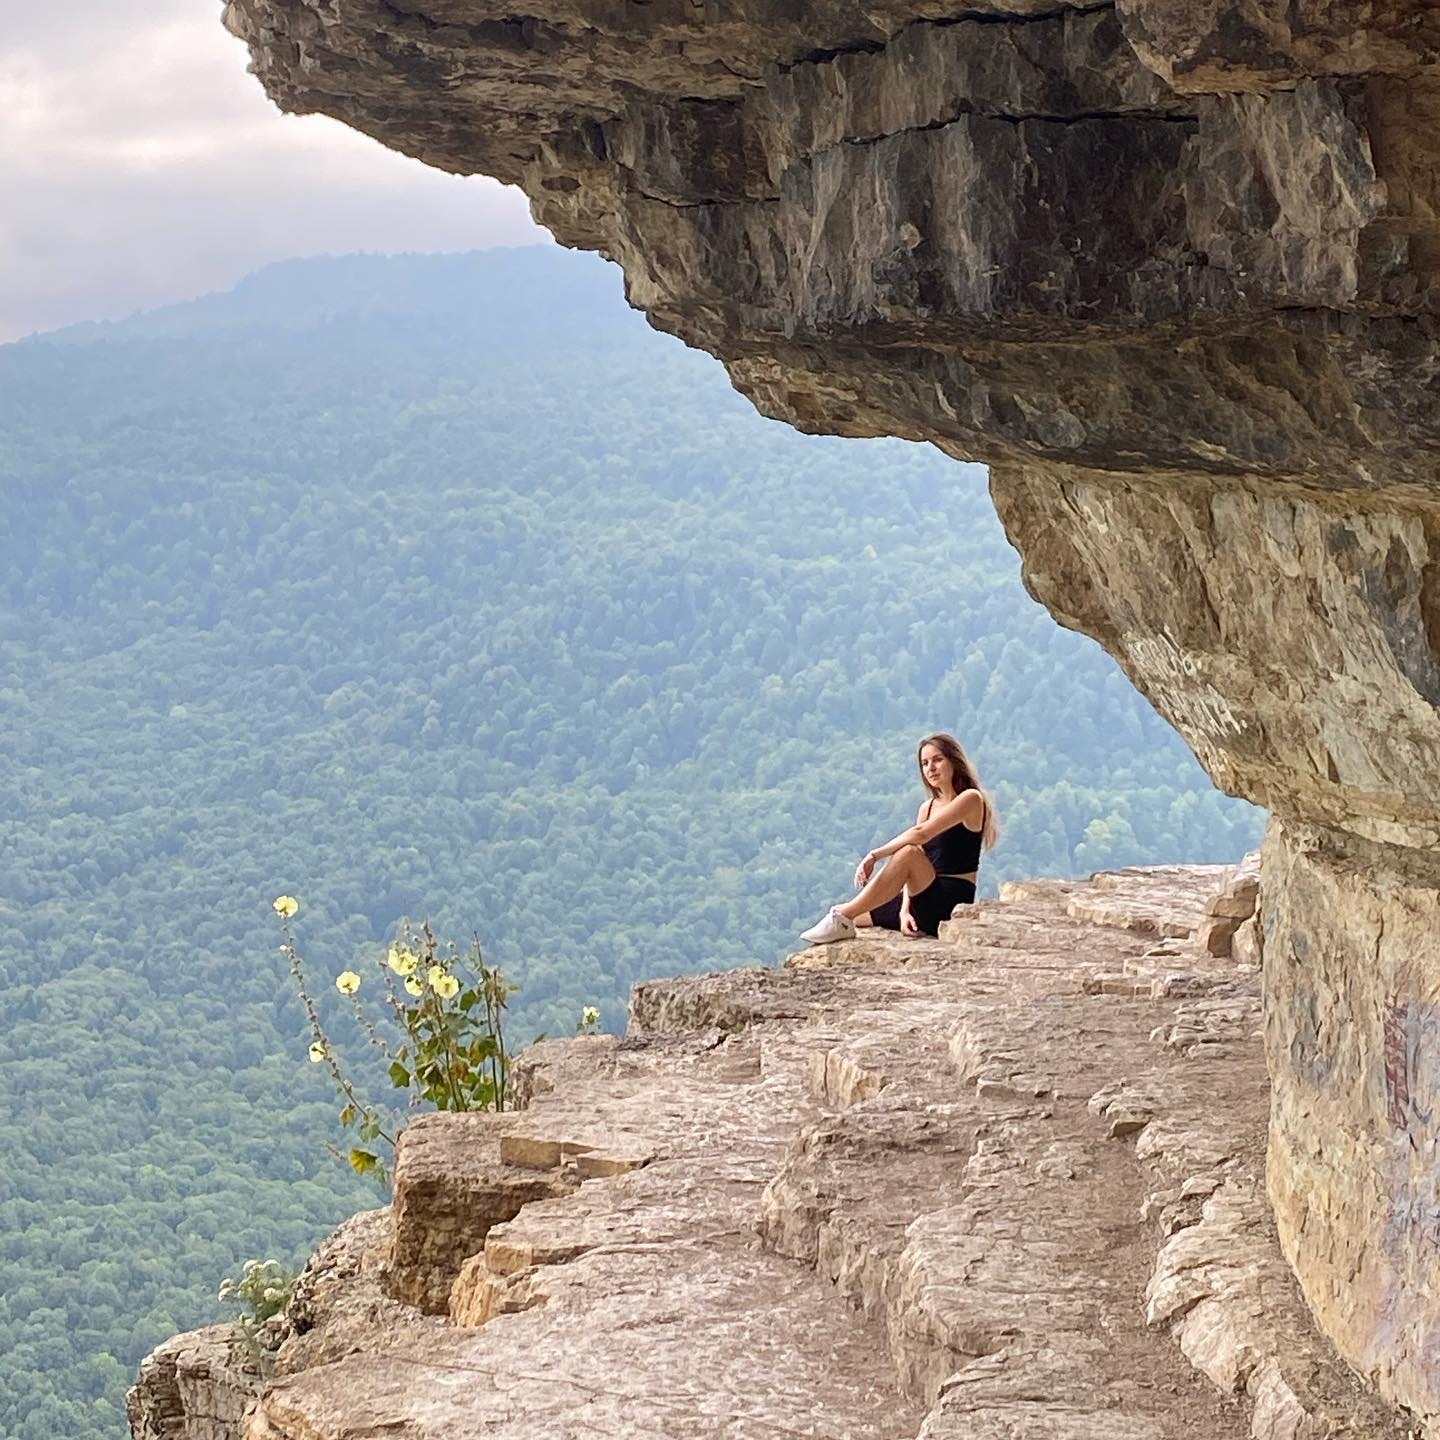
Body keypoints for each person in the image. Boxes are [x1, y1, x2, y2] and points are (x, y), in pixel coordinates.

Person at [800, 732, 1000, 944]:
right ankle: (844, 917)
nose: (930, 768)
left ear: (954, 761)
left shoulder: (970, 799)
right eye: (924, 763)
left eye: (937, 760)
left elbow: (920, 835)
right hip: (923, 895)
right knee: (858, 916)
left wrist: (875, 855)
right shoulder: (927, 807)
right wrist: (905, 911)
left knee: (908, 851)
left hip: (949, 903)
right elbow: (911, 871)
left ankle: (840, 915)